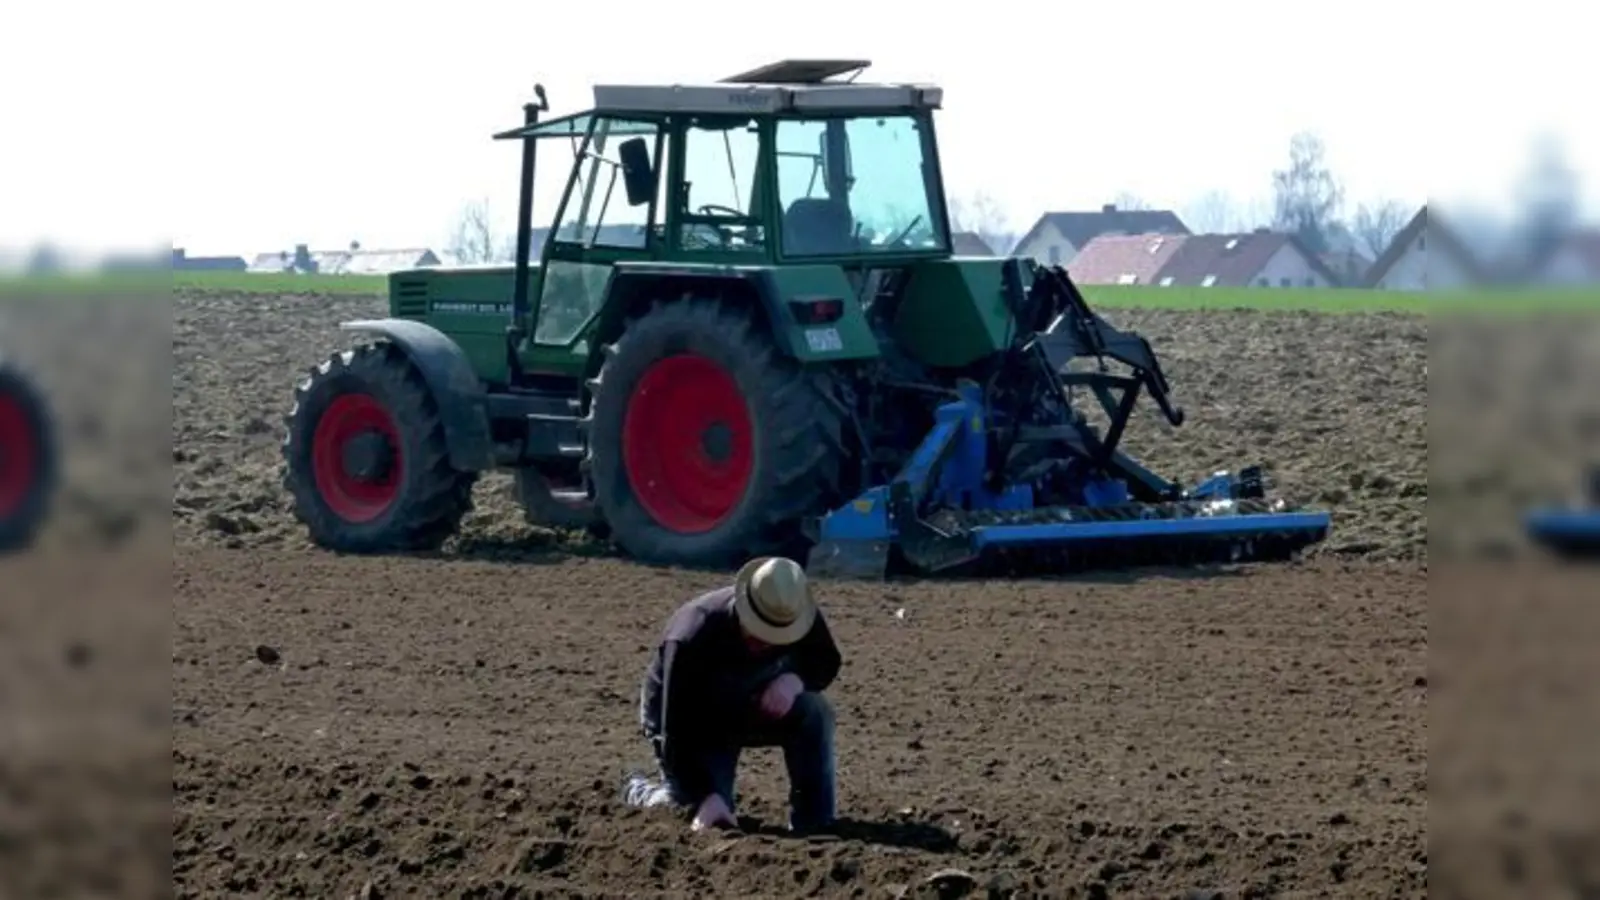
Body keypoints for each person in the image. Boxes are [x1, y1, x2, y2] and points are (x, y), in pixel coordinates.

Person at [622, 556, 842, 834]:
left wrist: (793, 681)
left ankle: (814, 820)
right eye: (758, 632)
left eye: (777, 636)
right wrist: (705, 796)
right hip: (695, 720)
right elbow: (676, 732)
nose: (765, 643)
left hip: (750, 700)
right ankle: (642, 793)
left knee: (815, 710)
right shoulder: (692, 634)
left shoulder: (793, 612)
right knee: (702, 816)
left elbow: (826, 660)